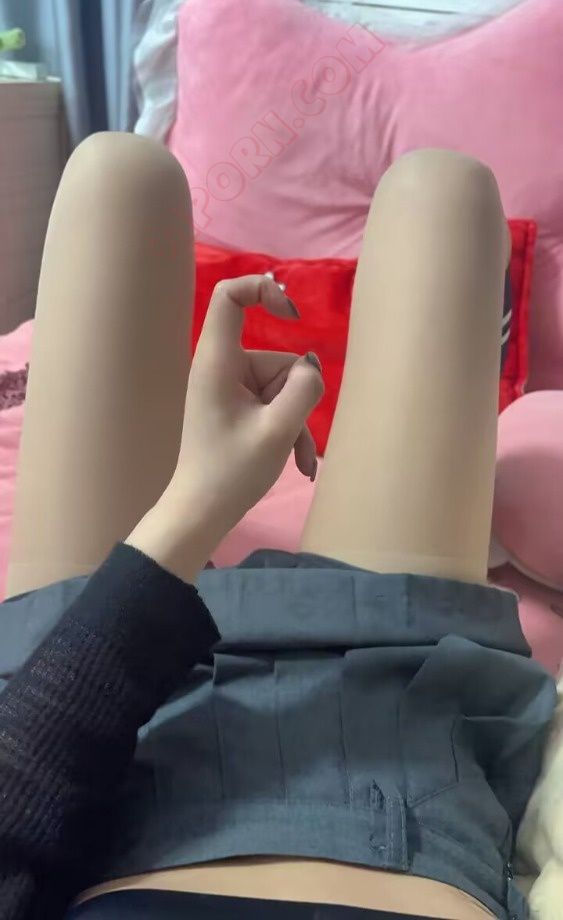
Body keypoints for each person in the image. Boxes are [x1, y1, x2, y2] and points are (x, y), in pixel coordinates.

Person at [0, 136, 555, 920]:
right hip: (394, 736)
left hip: (76, 743)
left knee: (114, 173)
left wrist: (196, 504)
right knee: (444, 191)